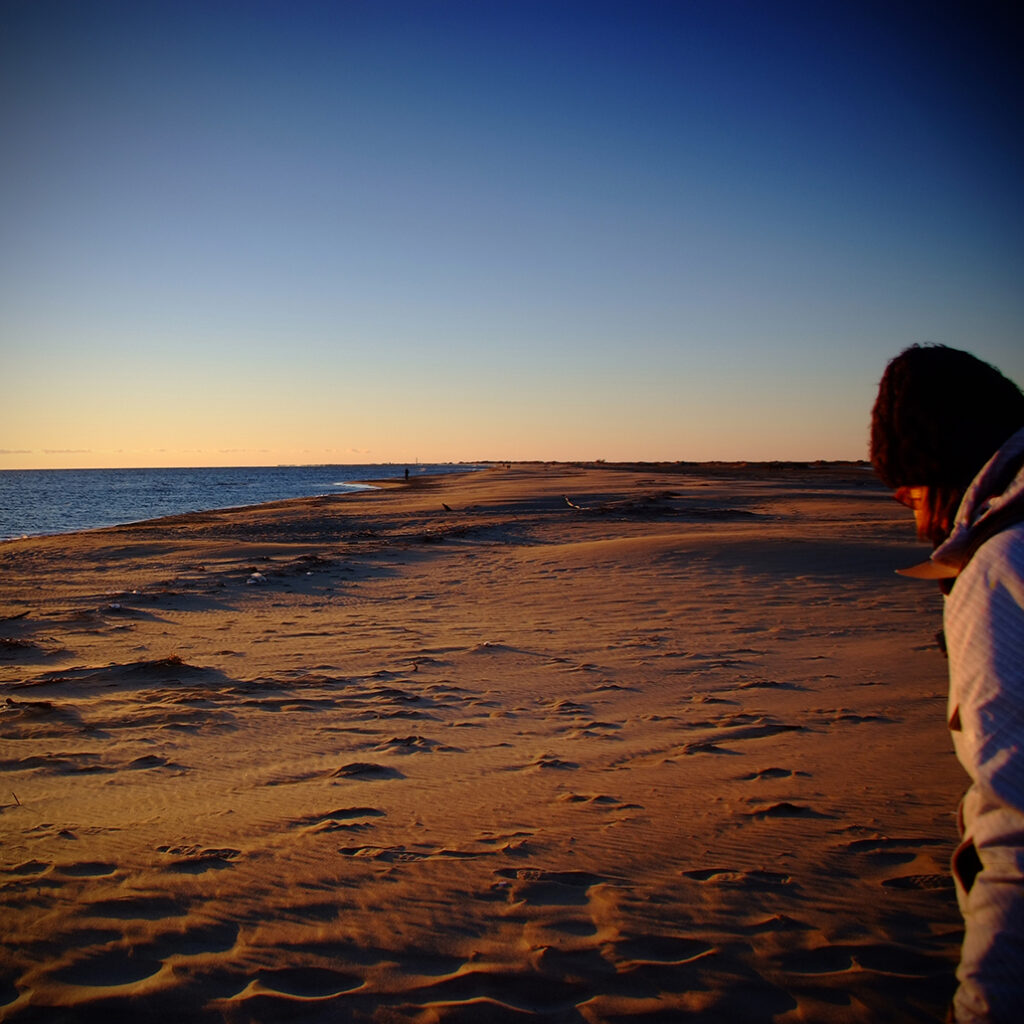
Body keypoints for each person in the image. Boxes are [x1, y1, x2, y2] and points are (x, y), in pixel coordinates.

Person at [870, 344, 1024, 1022]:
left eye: (908, 495)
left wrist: (987, 1005)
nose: (914, 520)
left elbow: (1016, 822)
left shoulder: (1002, 563)